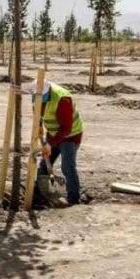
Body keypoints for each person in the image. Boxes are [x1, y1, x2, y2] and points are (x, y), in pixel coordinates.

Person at [27, 78, 84, 206]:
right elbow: (37, 112)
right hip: (53, 134)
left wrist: (49, 144)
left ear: (48, 92)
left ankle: (73, 200)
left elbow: (66, 128)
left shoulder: (62, 99)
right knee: (44, 165)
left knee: (67, 167)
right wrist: (39, 125)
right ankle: (41, 194)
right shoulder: (37, 94)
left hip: (70, 135)